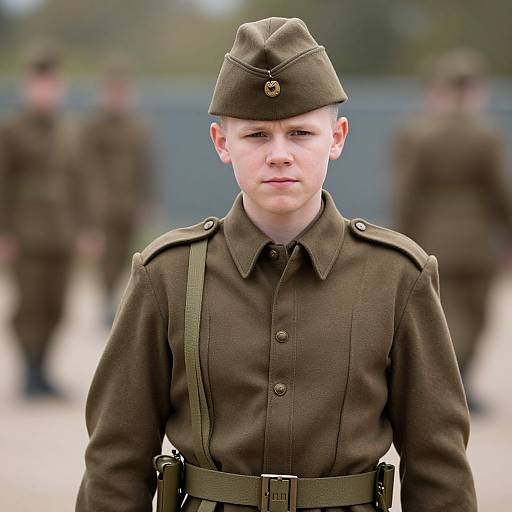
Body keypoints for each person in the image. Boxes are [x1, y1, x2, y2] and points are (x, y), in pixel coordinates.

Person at [76, 18, 476, 512]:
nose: (280, 155)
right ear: (223, 143)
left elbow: (440, 467)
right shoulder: (167, 275)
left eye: (301, 133)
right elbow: (116, 459)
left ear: (337, 138)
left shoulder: (397, 277)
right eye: (257, 135)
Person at [393, 48, 512, 412]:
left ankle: (444, 387)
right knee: (476, 316)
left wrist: (401, 240)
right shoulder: (486, 136)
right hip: (477, 242)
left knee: (441, 315)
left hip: (430, 238)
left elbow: (406, 194)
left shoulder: (416, 134)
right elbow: (500, 192)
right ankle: (460, 385)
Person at [0, 43, 95, 398]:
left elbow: (80, 181)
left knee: (57, 303)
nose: (45, 91)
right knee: (30, 303)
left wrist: (85, 227)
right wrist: (4, 232)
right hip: (26, 231)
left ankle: (43, 369)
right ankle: (29, 370)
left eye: (51, 84)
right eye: (38, 84)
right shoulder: (11, 131)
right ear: (27, 86)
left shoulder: (70, 130)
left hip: (62, 230)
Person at [79, 58, 153, 325]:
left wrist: (148, 201)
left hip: (129, 202)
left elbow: (147, 167)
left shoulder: (138, 128)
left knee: (127, 255)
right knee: (105, 257)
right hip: (103, 204)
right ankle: (107, 302)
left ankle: (119, 301)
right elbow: (85, 168)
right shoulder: (93, 127)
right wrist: (88, 207)